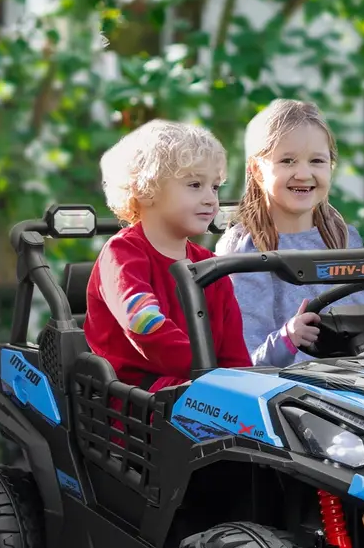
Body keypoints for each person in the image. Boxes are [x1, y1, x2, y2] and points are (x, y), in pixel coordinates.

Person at [83, 119, 253, 392]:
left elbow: (235, 354)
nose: (211, 199)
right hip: (133, 396)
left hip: (199, 385)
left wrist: (243, 387)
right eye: (195, 184)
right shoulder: (121, 254)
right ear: (145, 190)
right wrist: (207, 372)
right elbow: (144, 323)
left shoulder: (211, 265)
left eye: (215, 187)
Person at [216, 98, 364, 367]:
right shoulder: (245, 247)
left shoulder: (344, 238)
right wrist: (287, 339)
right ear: (257, 170)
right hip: (280, 385)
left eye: (317, 161)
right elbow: (246, 356)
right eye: (287, 161)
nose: (303, 174)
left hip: (349, 379)